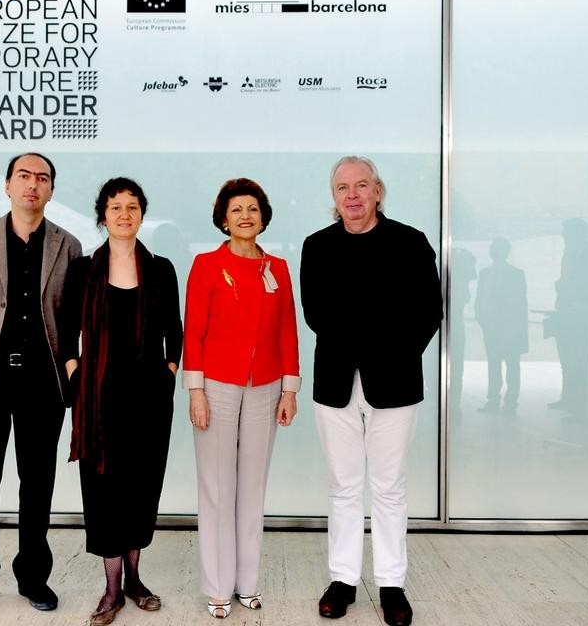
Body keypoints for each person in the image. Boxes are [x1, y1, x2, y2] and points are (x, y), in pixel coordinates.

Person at [301, 156, 441, 626]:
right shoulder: (317, 246)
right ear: (334, 196)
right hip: (335, 383)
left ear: (378, 191)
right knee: (343, 487)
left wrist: (388, 350)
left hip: (395, 382)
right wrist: (375, 327)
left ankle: (391, 584)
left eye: (362, 185)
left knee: (389, 487)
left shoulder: (410, 242)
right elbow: (317, 314)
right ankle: (342, 580)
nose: (353, 195)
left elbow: (428, 313)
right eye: (343, 187)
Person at [0, 153, 82, 618]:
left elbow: (70, 315)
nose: (32, 184)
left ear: (51, 190)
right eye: (23, 176)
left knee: (37, 483)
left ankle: (33, 576)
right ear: (7, 185)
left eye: (42, 178)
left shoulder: (68, 246)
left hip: (43, 382)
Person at [60, 178, 182, 626]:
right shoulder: (82, 270)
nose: (124, 214)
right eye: (115, 207)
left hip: (149, 400)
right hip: (97, 401)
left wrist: (168, 374)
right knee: (103, 492)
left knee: (141, 488)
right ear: (103, 216)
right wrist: (76, 375)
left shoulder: (161, 269)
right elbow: (66, 331)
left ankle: (134, 578)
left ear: (142, 215)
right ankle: (111, 587)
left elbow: (175, 330)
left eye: (132, 207)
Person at [183, 178, 300, 619]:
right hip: (216, 385)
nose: (245, 216)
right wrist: (196, 391)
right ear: (224, 219)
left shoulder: (278, 269)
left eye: (252, 209)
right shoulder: (207, 265)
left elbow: (287, 329)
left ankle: (247, 583)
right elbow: (193, 330)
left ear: (263, 217)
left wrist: (290, 389)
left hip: (266, 386)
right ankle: (217, 586)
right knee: (217, 487)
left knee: (252, 487)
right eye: (237, 210)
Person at [475, 237, 528, 415]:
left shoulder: (516, 274)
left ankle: (511, 401)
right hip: (491, 327)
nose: (492, 251)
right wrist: (481, 318)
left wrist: (517, 329)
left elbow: (520, 304)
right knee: (494, 364)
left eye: (495, 248)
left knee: (511, 364)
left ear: (504, 251)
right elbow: (480, 299)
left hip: (509, 327)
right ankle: (494, 399)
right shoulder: (485, 273)